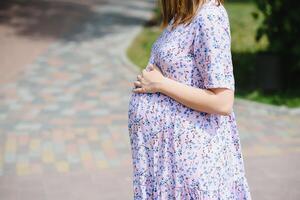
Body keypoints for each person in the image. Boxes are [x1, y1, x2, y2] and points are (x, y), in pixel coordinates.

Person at [127, 0, 252, 199]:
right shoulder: (183, 16)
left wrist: (161, 85)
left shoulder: (210, 17)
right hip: (168, 164)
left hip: (192, 165)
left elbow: (223, 102)